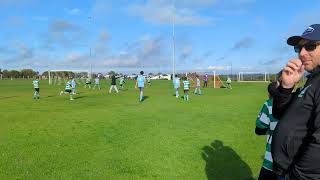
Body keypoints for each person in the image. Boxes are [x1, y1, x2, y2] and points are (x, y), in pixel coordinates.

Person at [272, 24, 320, 179]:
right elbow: (279, 114)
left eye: (310, 46)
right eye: (298, 49)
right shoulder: (312, 80)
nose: (302, 53)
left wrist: (296, 175)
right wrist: (286, 87)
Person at [255, 82, 279, 180]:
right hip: (293, 160)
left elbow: (259, 129)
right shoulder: (297, 101)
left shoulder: (269, 104)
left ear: (269, 94)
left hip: (272, 158)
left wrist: (271, 130)